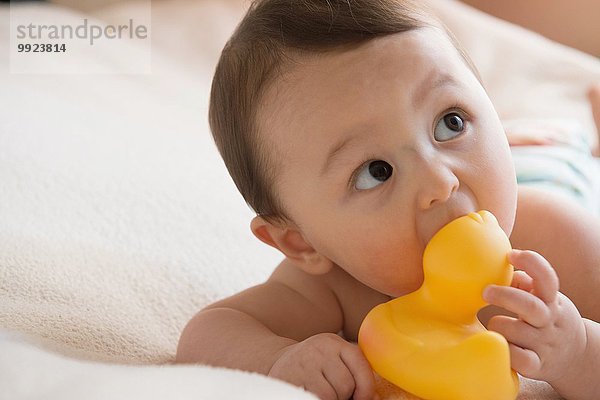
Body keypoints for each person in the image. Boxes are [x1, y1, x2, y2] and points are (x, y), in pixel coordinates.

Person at [176, 1, 600, 399]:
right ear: (302, 242)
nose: (440, 182)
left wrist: (577, 351)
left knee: (560, 149)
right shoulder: (331, 286)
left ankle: (564, 128)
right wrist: (275, 360)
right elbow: (209, 332)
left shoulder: (561, 241)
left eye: (451, 121)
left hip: (548, 176)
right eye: (375, 171)